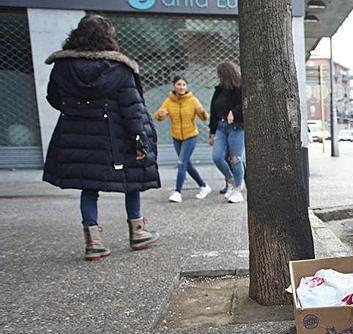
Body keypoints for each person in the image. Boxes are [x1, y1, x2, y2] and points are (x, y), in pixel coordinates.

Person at [43, 14, 159, 261]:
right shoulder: (119, 68)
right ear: (108, 37)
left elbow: (54, 98)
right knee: (132, 182)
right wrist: (139, 140)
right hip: (115, 136)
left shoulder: (62, 67)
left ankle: (93, 243)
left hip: (77, 135)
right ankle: (138, 233)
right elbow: (132, 107)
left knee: (89, 186)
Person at [154, 75, 212, 203]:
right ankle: (204, 186)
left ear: (187, 86)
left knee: (181, 162)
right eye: (179, 84)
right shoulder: (169, 101)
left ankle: (177, 192)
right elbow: (159, 116)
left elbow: (204, 117)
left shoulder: (193, 100)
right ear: (174, 86)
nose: (181, 87)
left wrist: (202, 112)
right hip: (176, 137)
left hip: (190, 135)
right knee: (187, 163)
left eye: (184, 85)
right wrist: (160, 114)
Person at [208, 62, 245, 204]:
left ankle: (237, 190)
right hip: (221, 127)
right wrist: (212, 132)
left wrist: (234, 112)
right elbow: (213, 110)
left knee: (235, 159)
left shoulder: (240, 88)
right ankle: (231, 180)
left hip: (237, 127)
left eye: (220, 75)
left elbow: (245, 105)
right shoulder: (219, 89)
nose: (218, 78)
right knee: (217, 156)